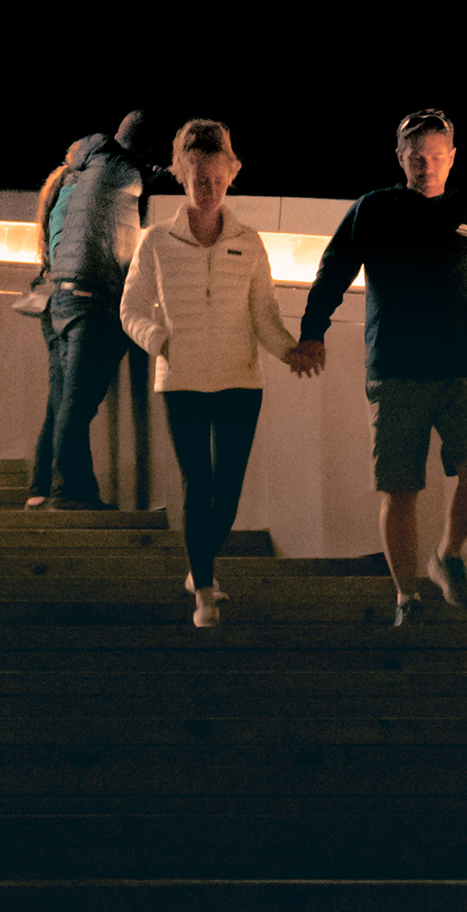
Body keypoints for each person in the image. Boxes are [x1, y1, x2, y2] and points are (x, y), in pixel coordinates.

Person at [293, 108, 467, 635]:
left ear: (451, 158)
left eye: (436, 156)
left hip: (459, 371)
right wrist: (313, 330)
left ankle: (448, 554)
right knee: (400, 489)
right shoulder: (372, 210)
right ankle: (407, 596)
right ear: (400, 158)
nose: (426, 165)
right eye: (416, 156)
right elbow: (332, 271)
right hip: (394, 373)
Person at [119, 116, 312, 629]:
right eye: (198, 177)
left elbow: (263, 314)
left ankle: (198, 564)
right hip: (180, 381)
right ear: (181, 175)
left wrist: (290, 351)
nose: (208, 188)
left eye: (217, 178)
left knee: (227, 491)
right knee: (195, 483)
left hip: (239, 380)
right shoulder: (156, 241)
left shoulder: (248, 242)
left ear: (233, 174)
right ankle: (203, 588)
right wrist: (159, 341)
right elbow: (130, 309)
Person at [25, 108, 162, 510]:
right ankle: (71, 492)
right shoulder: (121, 171)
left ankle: (40, 486)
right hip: (90, 299)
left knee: (63, 398)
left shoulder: (80, 172)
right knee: (78, 403)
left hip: (58, 299)